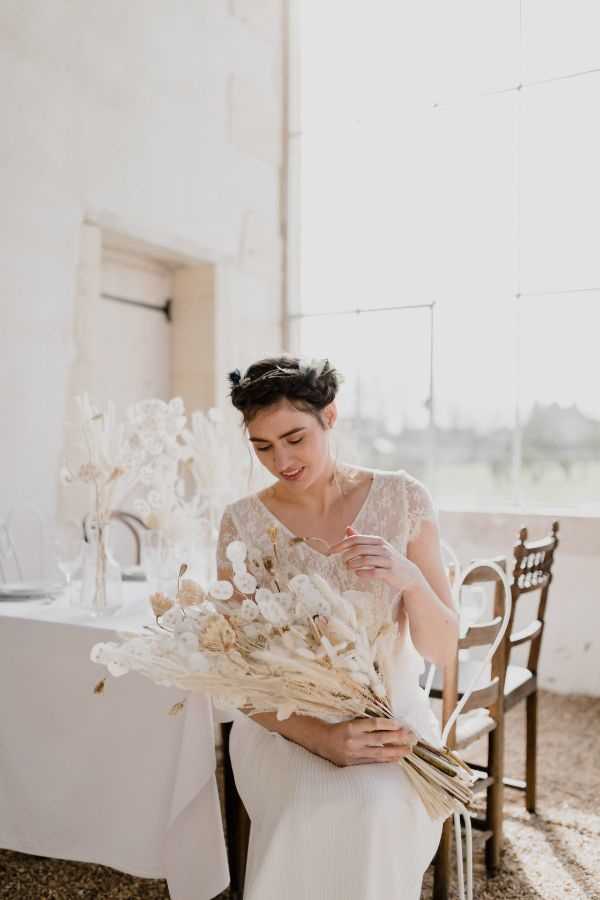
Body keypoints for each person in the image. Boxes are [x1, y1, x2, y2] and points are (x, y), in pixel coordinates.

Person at [216, 355, 459, 900]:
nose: (281, 459)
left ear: (330, 416)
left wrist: (411, 579)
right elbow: (236, 673)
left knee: (374, 808)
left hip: (388, 712)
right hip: (284, 720)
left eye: (295, 437)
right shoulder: (242, 522)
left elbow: (441, 650)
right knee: (311, 810)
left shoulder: (403, 498)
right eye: (262, 447)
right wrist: (321, 737)